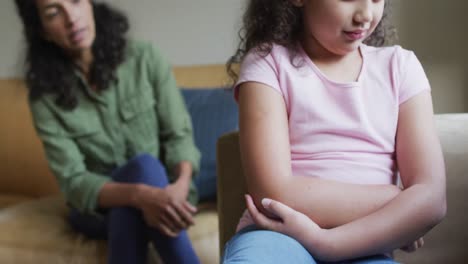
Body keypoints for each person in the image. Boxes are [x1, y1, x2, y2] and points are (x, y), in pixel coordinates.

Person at [223, 0, 446, 263]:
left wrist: (328, 243)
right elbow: (274, 193)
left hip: (364, 244)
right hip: (277, 235)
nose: (365, 14)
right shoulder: (267, 64)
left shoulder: (401, 67)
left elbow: (432, 199)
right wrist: (397, 200)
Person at [14, 0, 201, 263]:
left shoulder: (144, 57)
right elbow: (74, 181)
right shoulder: (44, 98)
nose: (71, 18)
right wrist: (140, 195)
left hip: (165, 195)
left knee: (138, 184)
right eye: (54, 13)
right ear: (42, 30)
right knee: (136, 185)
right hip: (96, 210)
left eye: (76, 1)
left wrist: (180, 186)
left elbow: (179, 135)